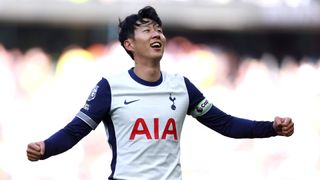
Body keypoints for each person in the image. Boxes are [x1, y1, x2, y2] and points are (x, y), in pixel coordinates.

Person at [26, 6, 294, 180]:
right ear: (129, 44)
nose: (157, 35)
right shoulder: (110, 87)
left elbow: (226, 124)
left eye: (159, 30)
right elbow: (76, 130)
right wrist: (46, 148)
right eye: (147, 30)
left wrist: (271, 127)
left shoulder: (182, 86)